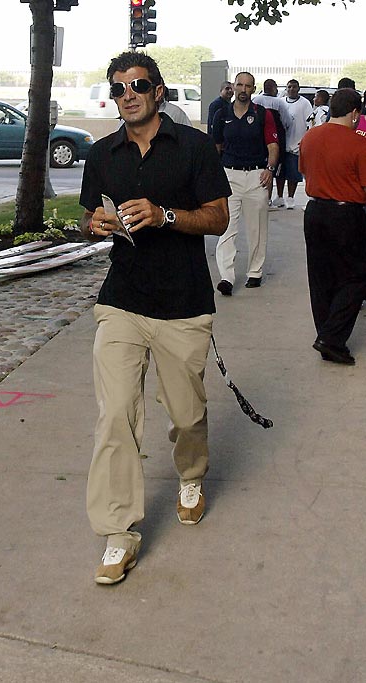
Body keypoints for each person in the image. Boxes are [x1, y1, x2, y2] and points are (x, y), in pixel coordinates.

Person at [79, 50, 231, 585]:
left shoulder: (192, 148)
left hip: (183, 304)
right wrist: (97, 224)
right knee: (116, 415)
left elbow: (218, 217)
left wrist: (165, 215)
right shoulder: (101, 155)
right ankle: (117, 534)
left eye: (139, 84)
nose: (129, 94)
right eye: (119, 87)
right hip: (121, 300)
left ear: (159, 91)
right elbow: (88, 217)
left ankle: (191, 474)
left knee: (186, 414)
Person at [299, 88, 366, 365]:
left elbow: (304, 170)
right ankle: (331, 337)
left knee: (320, 277)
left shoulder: (310, 137)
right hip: (346, 213)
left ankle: (326, 336)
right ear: (354, 113)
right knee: (356, 276)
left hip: (315, 211)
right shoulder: (360, 144)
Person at [212, 71, 279, 295]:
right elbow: (217, 147)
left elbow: (272, 145)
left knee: (256, 228)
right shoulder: (222, 114)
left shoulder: (262, 114)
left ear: (253, 88)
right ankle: (226, 277)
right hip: (229, 175)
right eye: (239, 85)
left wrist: (270, 170)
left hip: (256, 175)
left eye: (247, 86)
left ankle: (255, 272)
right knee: (226, 227)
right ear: (233, 86)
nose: (243, 89)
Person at [272, 79, 312, 209]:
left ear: (298, 89)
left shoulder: (305, 104)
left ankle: (290, 197)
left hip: (296, 145)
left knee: (293, 174)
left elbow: (309, 124)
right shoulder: (281, 102)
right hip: (281, 144)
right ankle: (279, 196)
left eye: (294, 87)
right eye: (289, 87)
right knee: (280, 173)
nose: (291, 89)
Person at [253, 78, 292, 202]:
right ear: (273, 88)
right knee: (277, 170)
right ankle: (277, 196)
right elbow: (287, 121)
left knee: (262, 168)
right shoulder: (279, 103)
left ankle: (265, 197)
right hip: (276, 139)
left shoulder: (255, 100)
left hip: (259, 141)